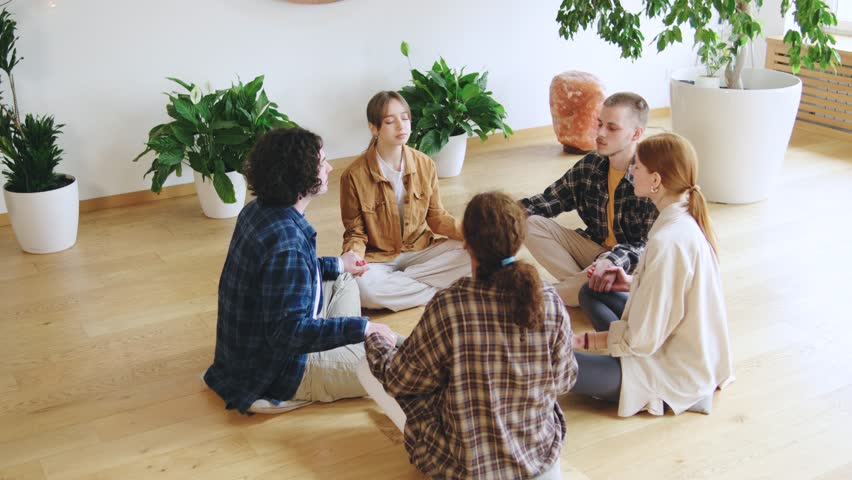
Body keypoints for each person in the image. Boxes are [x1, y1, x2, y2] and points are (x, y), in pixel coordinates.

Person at [357, 191, 578, 479]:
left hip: (468, 468)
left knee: (368, 366)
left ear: (466, 244)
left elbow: (400, 380)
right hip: (540, 462)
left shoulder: (450, 305)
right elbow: (564, 380)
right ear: (519, 240)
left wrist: (376, 341)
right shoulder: (548, 299)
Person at [203, 127, 396, 415]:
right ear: (300, 177)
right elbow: (287, 332)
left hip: (252, 350)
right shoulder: (287, 244)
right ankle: (329, 359)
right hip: (278, 370)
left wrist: (339, 264)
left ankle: (334, 347)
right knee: (393, 365)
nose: (330, 167)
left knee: (345, 279)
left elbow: (285, 277)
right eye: (322, 162)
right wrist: (363, 328)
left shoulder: (258, 210)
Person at [570, 132, 735, 417]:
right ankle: (612, 353)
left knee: (547, 359)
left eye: (637, 166)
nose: (631, 171)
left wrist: (580, 341)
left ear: (656, 180)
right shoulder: (682, 219)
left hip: (672, 367)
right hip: (667, 341)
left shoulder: (668, 241)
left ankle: (682, 394)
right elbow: (678, 294)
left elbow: (642, 341)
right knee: (591, 291)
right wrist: (632, 283)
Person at [520, 92, 658, 307]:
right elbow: (548, 201)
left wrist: (612, 260)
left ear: (635, 134)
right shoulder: (592, 164)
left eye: (612, 128)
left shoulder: (650, 177)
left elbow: (649, 248)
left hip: (624, 266)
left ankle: (538, 299)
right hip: (593, 251)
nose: (600, 133)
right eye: (600, 124)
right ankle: (591, 292)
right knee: (528, 223)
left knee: (604, 265)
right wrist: (499, 215)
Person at [339, 91, 470, 312]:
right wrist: (353, 258)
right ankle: (443, 290)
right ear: (374, 128)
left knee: (474, 253)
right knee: (363, 289)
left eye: (405, 118)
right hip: (379, 258)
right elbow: (355, 232)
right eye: (390, 121)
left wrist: (473, 235)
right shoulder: (353, 175)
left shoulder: (425, 164)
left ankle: (404, 286)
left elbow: (437, 218)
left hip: (420, 249)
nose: (402, 126)